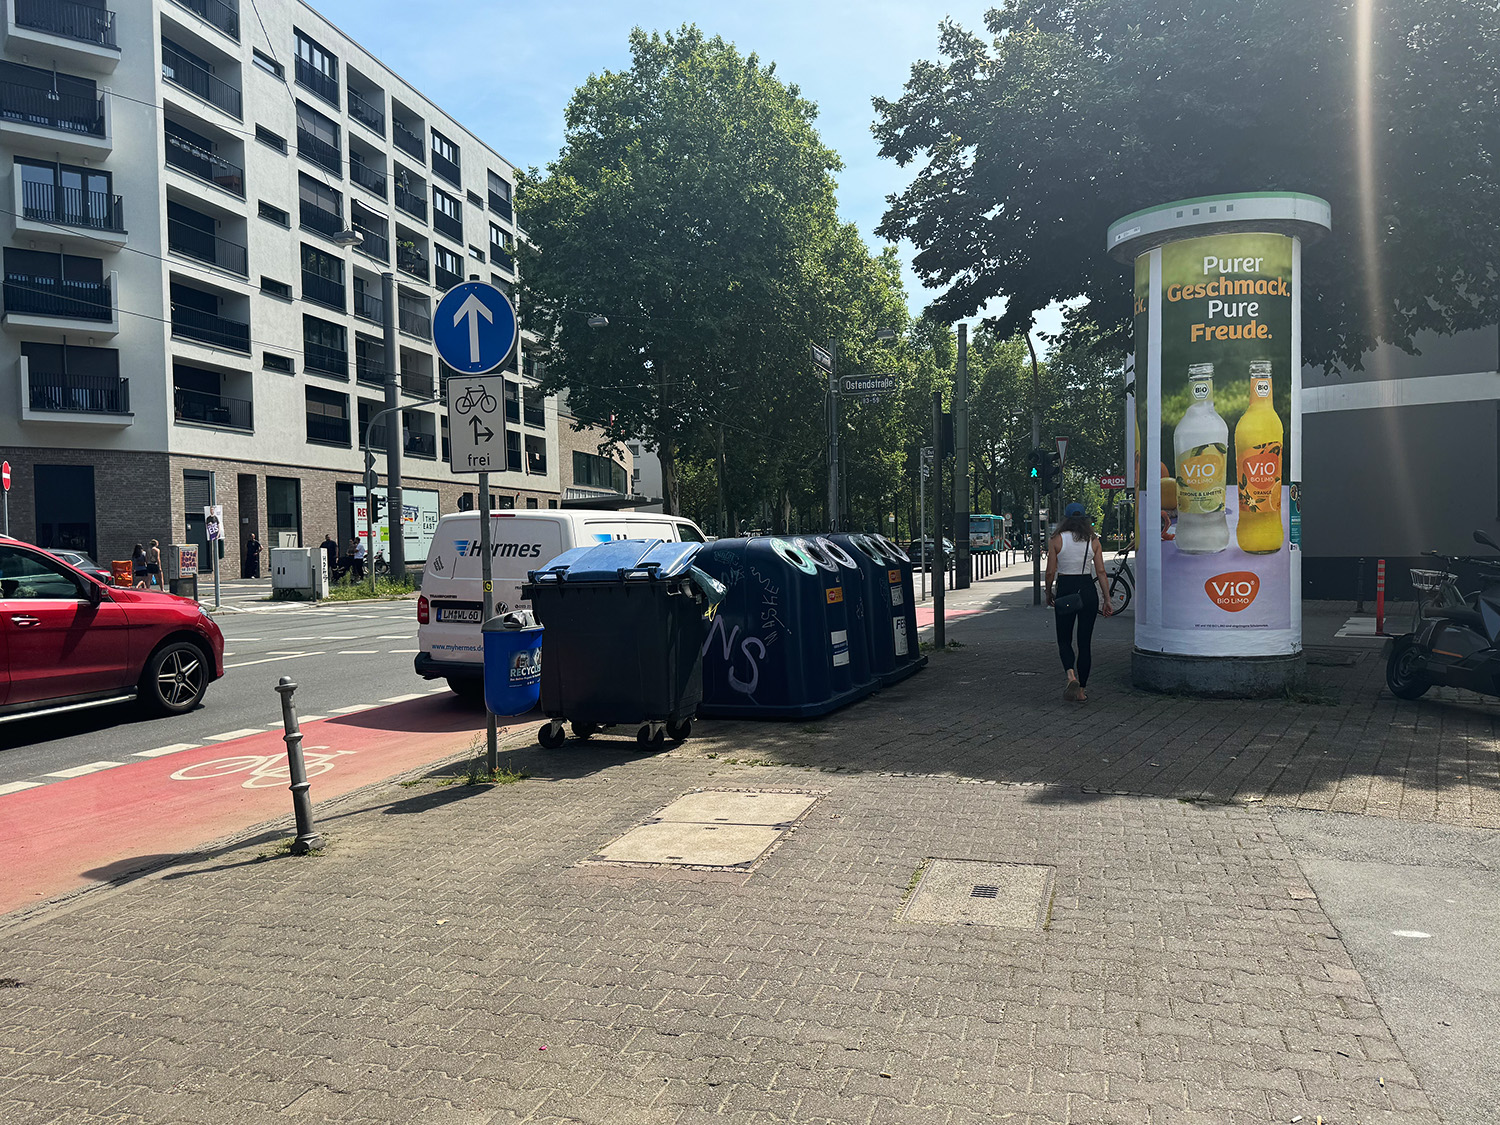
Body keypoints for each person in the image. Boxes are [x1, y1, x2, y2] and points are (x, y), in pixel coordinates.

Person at [1046, 502, 1113, 702]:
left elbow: (1050, 572)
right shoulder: (1094, 541)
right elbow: (1101, 571)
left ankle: (1070, 675)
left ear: (1065, 519)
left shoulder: (1056, 539)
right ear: (1085, 520)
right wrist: (1107, 599)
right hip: (1087, 590)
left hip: (1066, 589)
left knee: (1064, 639)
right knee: (1084, 643)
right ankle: (1082, 690)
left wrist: (1048, 592)